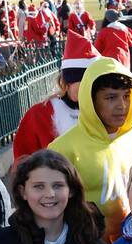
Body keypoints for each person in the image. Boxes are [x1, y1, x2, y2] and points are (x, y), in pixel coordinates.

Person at [50, 56, 132, 244]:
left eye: (126, 96)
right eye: (110, 97)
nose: (122, 106)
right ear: (90, 100)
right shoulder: (62, 148)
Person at [13, 32, 100, 166]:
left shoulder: (104, 110)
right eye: (84, 81)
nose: (90, 88)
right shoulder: (39, 115)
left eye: (95, 83)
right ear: (67, 83)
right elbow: (22, 164)